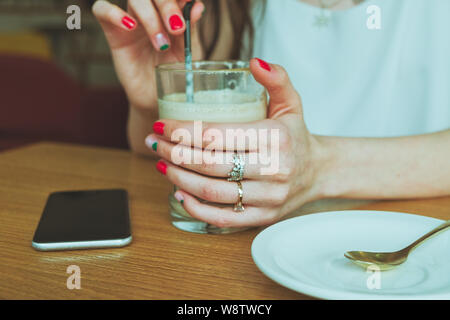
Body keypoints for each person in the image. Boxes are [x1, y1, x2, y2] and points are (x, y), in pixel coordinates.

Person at [92, 0, 450, 228]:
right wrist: (153, 103)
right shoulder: (216, 9)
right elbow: (150, 150)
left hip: (416, 239)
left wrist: (318, 167)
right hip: (248, 251)